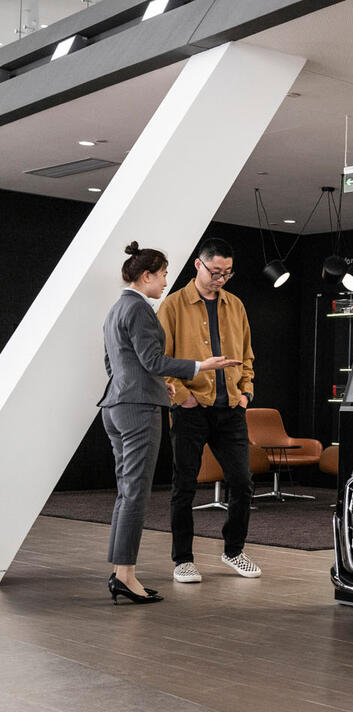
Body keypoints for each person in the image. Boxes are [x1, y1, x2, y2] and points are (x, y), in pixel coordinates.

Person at [99, 242, 237, 604]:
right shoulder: (141, 310)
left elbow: (112, 364)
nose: (164, 283)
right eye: (161, 276)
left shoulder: (116, 309)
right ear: (146, 276)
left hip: (115, 406)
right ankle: (126, 576)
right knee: (135, 495)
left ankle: (119, 572)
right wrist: (199, 366)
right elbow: (154, 361)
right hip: (138, 408)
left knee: (125, 493)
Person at [158, 237, 261, 583]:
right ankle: (183, 560)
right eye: (216, 272)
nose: (221, 279)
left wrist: (245, 392)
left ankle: (234, 550)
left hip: (230, 408)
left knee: (242, 482)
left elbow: (247, 354)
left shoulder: (236, 305)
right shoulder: (172, 306)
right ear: (198, 265)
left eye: (227, 274)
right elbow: (163, 359)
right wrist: (183, 396)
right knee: (184, 485)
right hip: (191, 409)